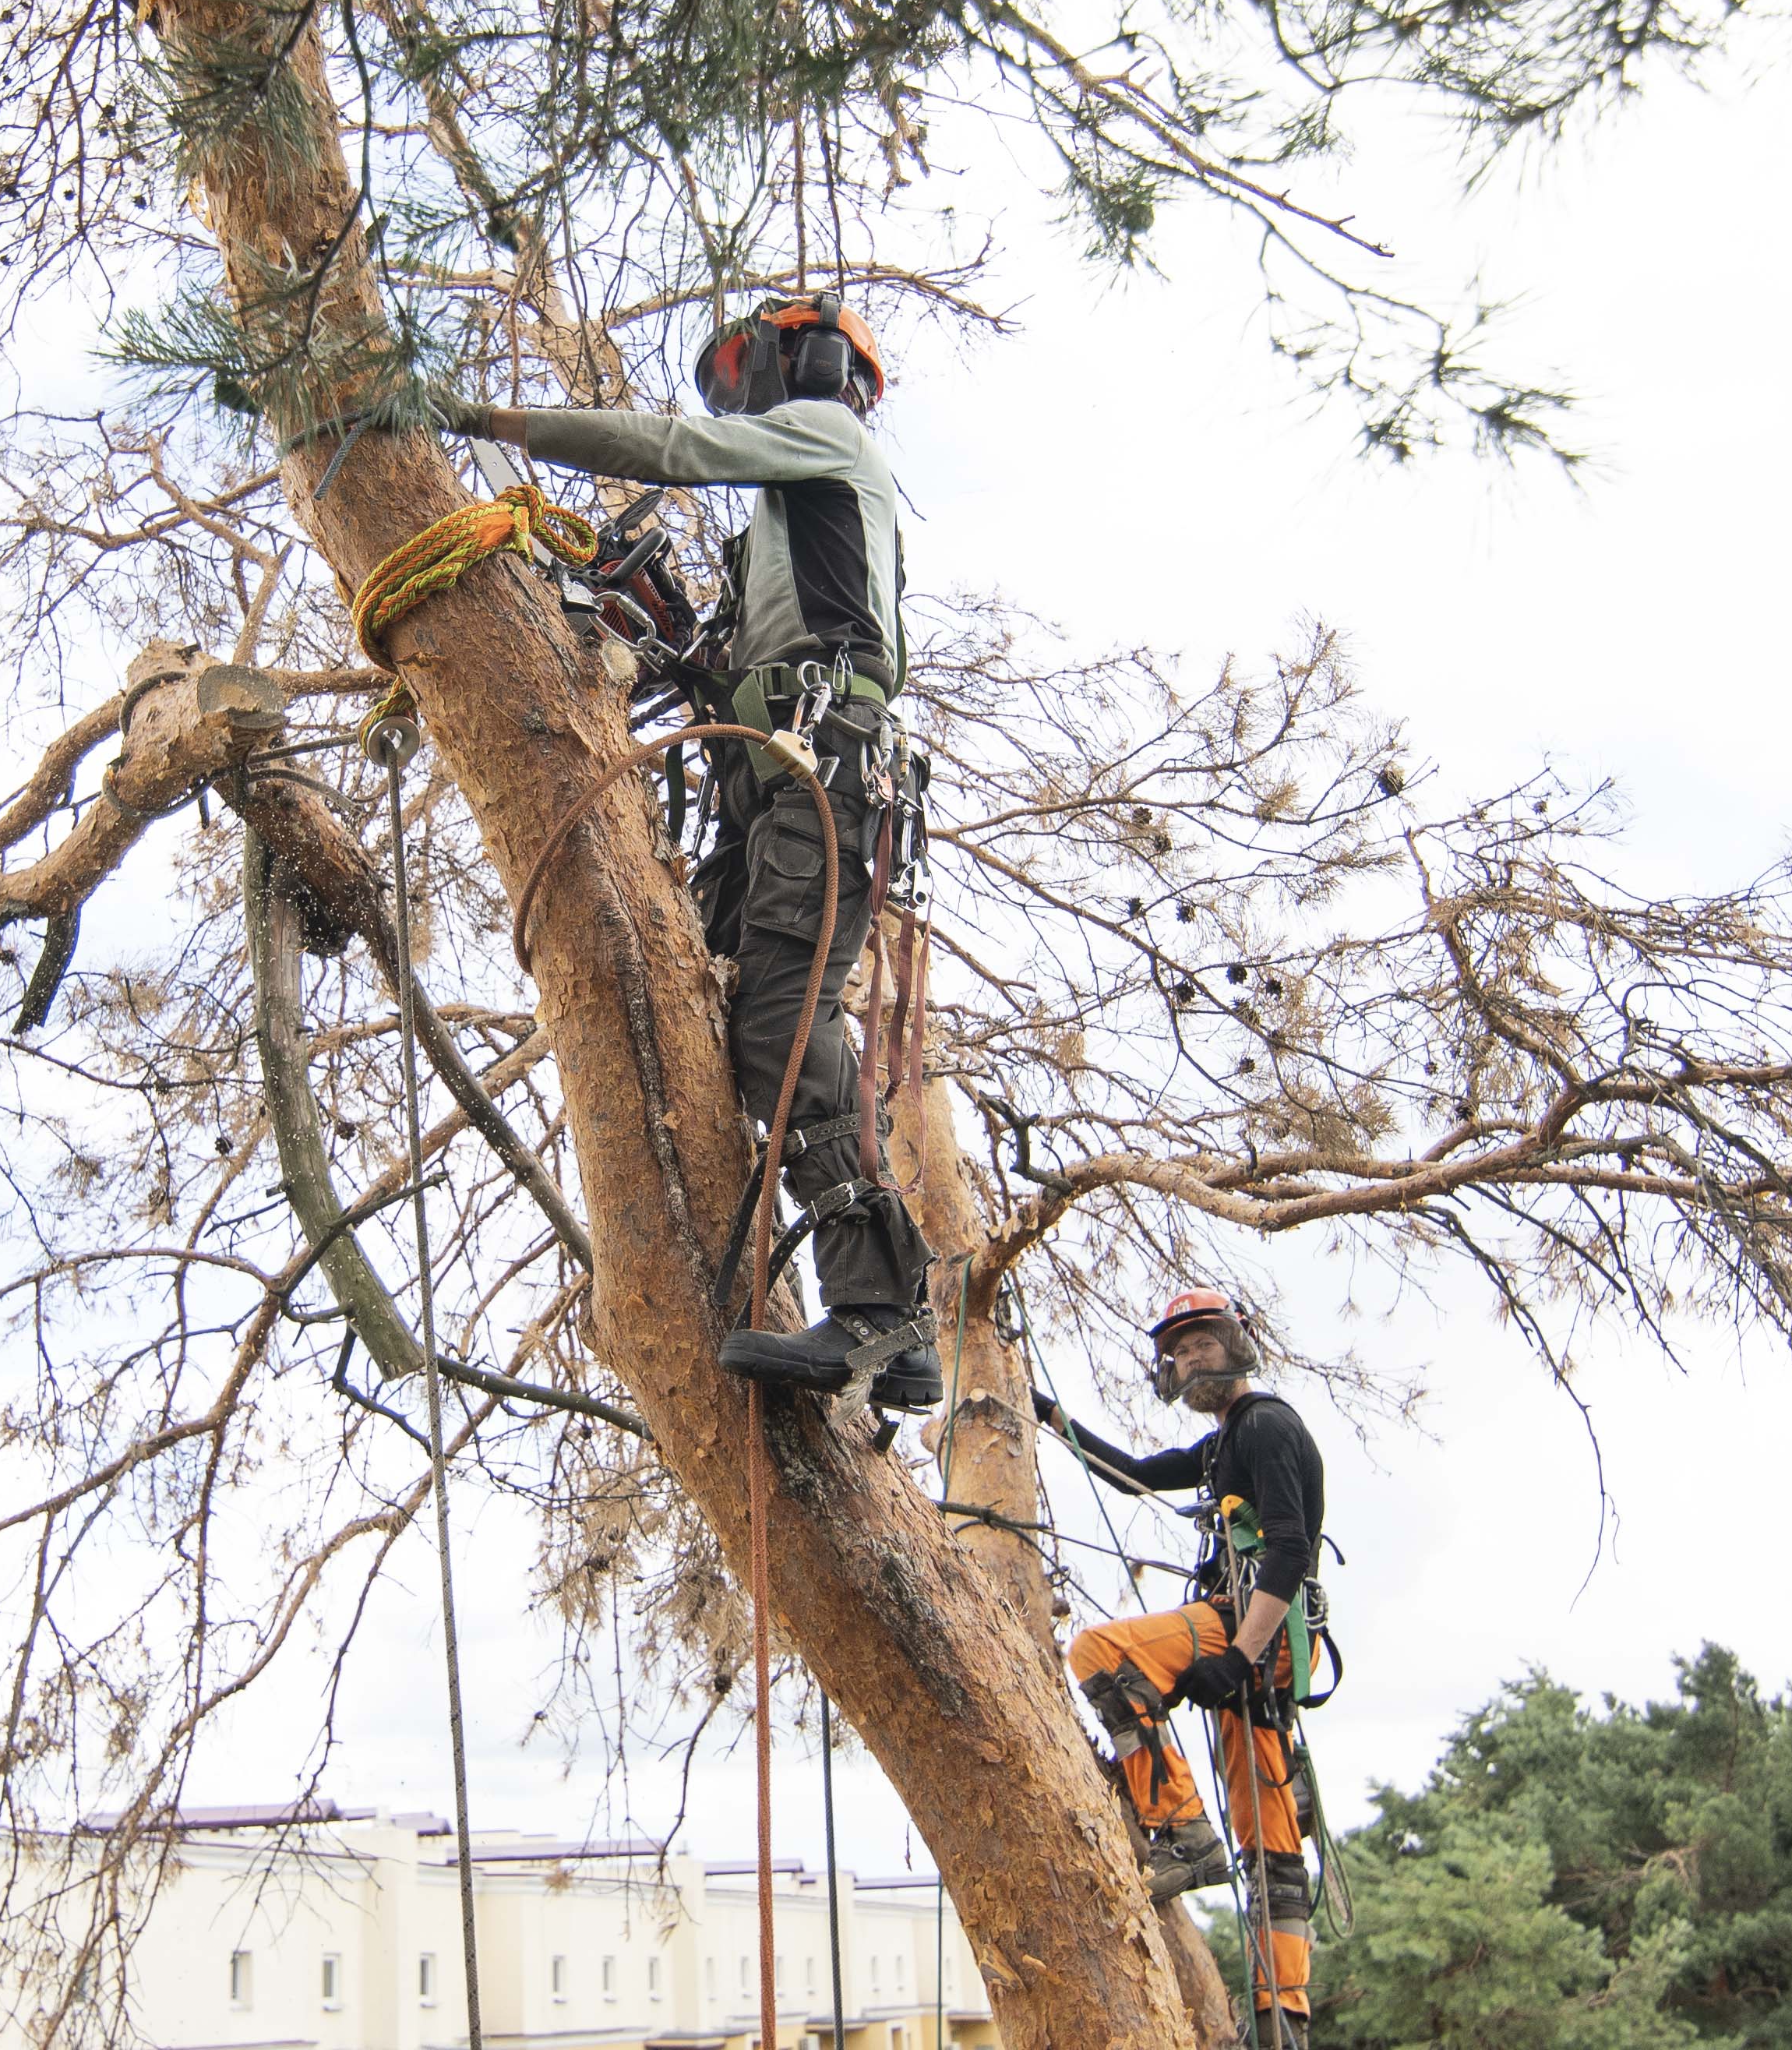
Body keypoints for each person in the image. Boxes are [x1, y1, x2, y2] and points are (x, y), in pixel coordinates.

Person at [441, 295, 937, 1408]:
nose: (742, 391)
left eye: (747, 367)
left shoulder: (829, 435)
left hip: (828, 771)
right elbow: (740, 662)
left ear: (807, 361)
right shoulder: (780, 526)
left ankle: (876, 1307)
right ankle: (901, 1334)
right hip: (772, 783)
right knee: (704, 1000)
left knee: (778, 1017)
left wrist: (485, 419)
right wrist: (662, 634)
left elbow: (676, 449)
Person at [1037, 1290, 1325, 2050]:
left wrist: (1236, 1655)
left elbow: (1290, 1549)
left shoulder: (1265, 1427)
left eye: (1201, 1341)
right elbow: (1131, 1471)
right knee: (1268, 1830)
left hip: (1259, 1631)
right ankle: (1281, 2021)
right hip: (1259, 1646)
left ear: (1236, 1343)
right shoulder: (1220, 1445)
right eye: (1180, 1348)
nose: (1189, 1356)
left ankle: (1182, 1829)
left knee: (1101, 1652)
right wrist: (1045, 1412)